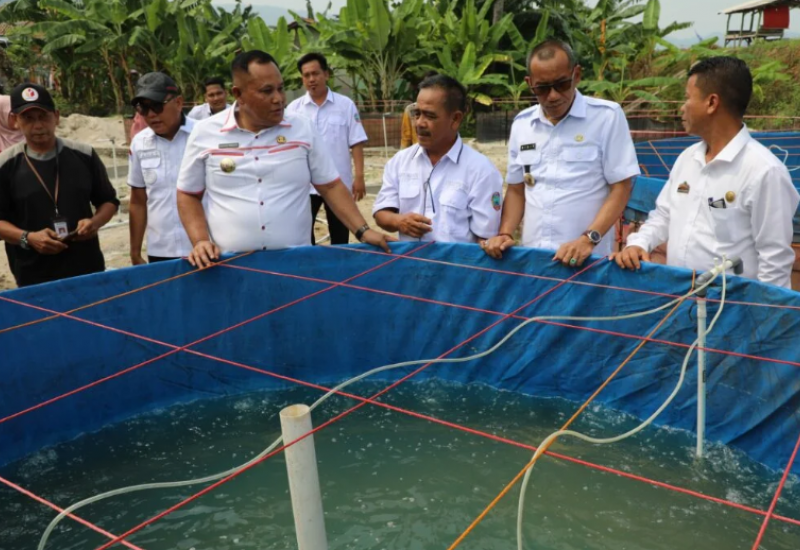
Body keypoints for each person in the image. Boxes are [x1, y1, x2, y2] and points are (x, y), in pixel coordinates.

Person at [176, 50, 392, 268]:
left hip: (296, 267)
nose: (279, 99)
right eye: (267, 91)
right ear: (238, 94)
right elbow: (187, 193)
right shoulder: (205, 133)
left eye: (280, 88)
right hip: (230, 268)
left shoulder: (302, 128)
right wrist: (201, 240)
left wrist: (363, 231)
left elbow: (330, 186)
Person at [613, 57, 799, 288]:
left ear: (711, 103)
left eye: (688, 98)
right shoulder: (687, 159)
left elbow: (775, 261)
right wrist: (639, 243)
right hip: (679, 298)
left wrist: (761, 318)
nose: (682, 107)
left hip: (730, 309)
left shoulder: (765, 172)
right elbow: (663, 215)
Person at [482, 39, 640, 266]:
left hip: (587, 260)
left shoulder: (606, 117)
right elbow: (517, 190)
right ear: (529, 84)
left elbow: (621, 187)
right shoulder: (522, 125)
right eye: (542, 88)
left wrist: (589, 239)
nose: (553, 95)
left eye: (562, 84)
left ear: (577, 75)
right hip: (536, 259)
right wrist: (506, 233)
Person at [0, 83, 119, 287]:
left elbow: (108, 201)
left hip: (87, 269)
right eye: (28, 118)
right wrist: (28, 238)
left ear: (56, 116)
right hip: (33, 275)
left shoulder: (84, 155)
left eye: (43, 116)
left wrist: (95, 222)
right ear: (14, 120)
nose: (38, 126)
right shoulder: (5, 165)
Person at [372, 75, 503, 244]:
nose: (419, 123)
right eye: (417, 113)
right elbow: (382, 213)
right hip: (410, 267)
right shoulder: (400, 162)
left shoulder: (481, 170)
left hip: (456, 268)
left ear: (455, 119)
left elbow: (485, 238)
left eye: (430, 116)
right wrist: (399, 222)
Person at [285, 52, 368, 245]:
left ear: (326, 74)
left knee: (340, 235)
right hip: (305, 185)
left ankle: (340, 273)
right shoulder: (294, 109)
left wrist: (360, 177)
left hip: (338, 183)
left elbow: (356, 141)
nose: (311, 79)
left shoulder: (345, 105)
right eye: (306, 75)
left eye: (315, 74)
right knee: (304, 234)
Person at [128, 72, 195, 265]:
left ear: (179, 102)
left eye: (157, 106)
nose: (150, 115)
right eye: (143, 108)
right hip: (161, 251)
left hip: (204, 245)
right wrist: (134, 251)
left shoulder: (202, 136)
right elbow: (138, 201)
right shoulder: (139, 144)